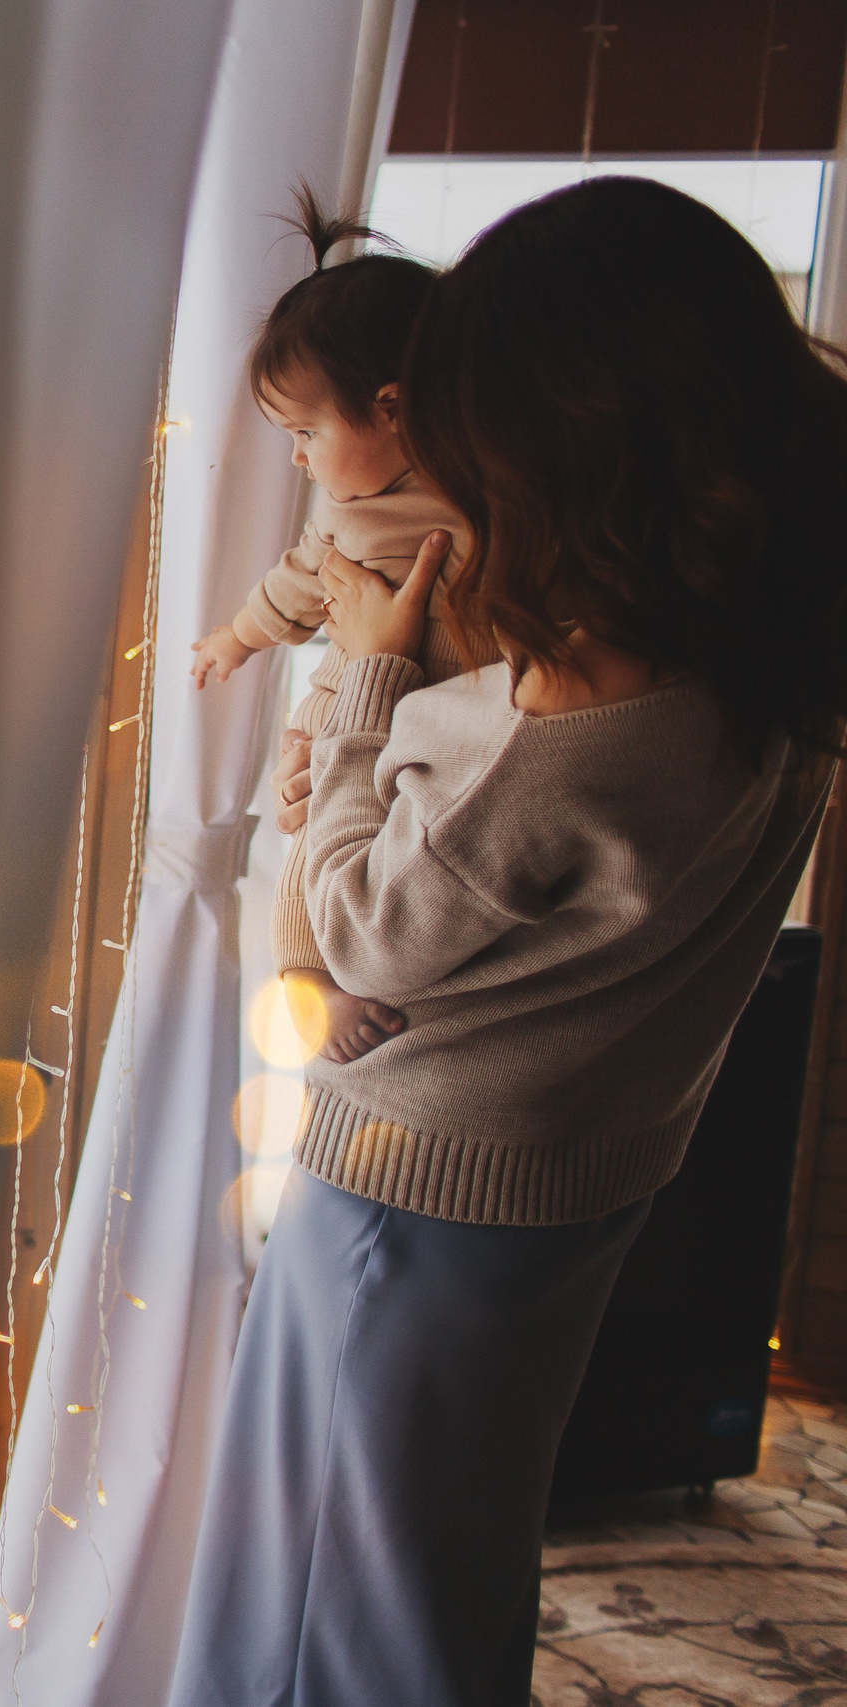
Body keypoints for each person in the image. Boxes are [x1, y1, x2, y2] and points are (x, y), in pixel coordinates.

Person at [167, 177, 847, 1706]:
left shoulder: (576, 710)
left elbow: (360, 925)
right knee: (435, 1549)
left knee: (340, 1584)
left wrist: (358, 686)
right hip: (576, 1172)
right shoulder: (763, 638)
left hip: (419, 1191)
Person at [190, 188, 472, 1063]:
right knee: (314, 824)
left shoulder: (477, 492)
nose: (299, 456)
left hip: (434, 715)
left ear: (390, 407)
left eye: (306, 430)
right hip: (350, 703)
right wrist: (236, 637)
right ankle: (305, 971)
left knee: (392, 852)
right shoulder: (349, 519)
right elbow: (293, 587)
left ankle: (354, 962)